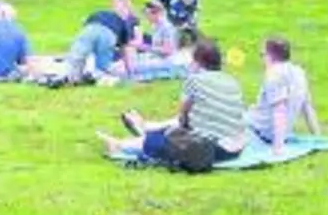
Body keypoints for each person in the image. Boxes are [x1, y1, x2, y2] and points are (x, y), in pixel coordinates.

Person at [100, 37, 246, 161]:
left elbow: (182, 119)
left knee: (168, 141)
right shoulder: (233, 81)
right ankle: (146, 128)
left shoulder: (194, 81)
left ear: (197, 62)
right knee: (177, 131)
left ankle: (123, 143)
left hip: (210, 149)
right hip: (237, 148)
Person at [245, 36, 321, 155]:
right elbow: (307, 108)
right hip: (269, 130)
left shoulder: (274, 75)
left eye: (262, 55)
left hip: (256, 131)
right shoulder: (299, 72)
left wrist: (278, 147)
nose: (262, 59)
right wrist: (318, 137)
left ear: (270, 56)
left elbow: (279, 110)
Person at [64, 0, 140, 82]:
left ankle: (73, 77)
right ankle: (106, 78)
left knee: (77, 55)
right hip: (108, 35)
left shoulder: (100, 13)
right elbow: (125, 50)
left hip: (90, 29)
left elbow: (84, 26)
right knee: (103, 65)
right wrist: (130, 71)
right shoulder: (124, 25)